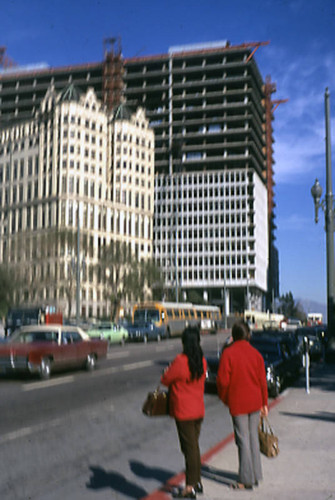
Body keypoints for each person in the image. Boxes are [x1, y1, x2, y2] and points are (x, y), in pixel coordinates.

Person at [216, 320, 268, 490]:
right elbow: (262, 382)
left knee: (243, 440)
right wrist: (264, 403)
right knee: (253, 438)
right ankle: (256, 474)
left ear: (233, 335)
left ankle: (246, 479)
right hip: (255, 402)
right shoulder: (256, 354)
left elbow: (223, 381)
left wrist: (225, 399)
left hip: (238, 403)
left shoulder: (228, 354)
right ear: (248, 335)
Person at [161, 326, 207, 499]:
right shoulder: (201, 360)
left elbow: (165, 379)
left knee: (189, 450)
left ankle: (190, 487)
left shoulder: (180, 360)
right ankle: (197, 481)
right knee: (192, 448)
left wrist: (166, 371)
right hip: (198, 410)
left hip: (184, 411)